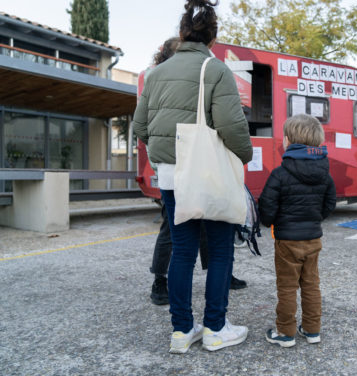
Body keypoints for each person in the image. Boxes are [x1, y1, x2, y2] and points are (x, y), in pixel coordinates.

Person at [133, 0, 253, 354]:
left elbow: (140, 126)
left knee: (183, 251)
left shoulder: (155, 74)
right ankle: (216, 327)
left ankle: (182, 331)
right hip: (208, 174)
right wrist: (244, 156)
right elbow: (232, 127)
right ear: (212, 37)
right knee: (219, 252)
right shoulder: (216, 70)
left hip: (170, 177)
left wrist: (166, 153)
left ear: (182, 33)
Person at [144, 38, 246, 307]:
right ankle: (160, 280)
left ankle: (188, 307)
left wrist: (157, 159)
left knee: (186, 230)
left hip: (173, 169)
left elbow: (141, 127)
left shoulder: (155, 77)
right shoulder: (172, 75)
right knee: (181, 230)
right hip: (187, 167)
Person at [258, 114, 336, 348]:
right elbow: (329, 203)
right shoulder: (325, 172)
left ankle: (285, 332)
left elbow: (267, 209)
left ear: (289, 140)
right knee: (311, 284)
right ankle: (312, 330)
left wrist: (271, 222)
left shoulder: (280, 174)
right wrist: (314, 220)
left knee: (287, 287)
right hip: (313, 239)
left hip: (287, 241)